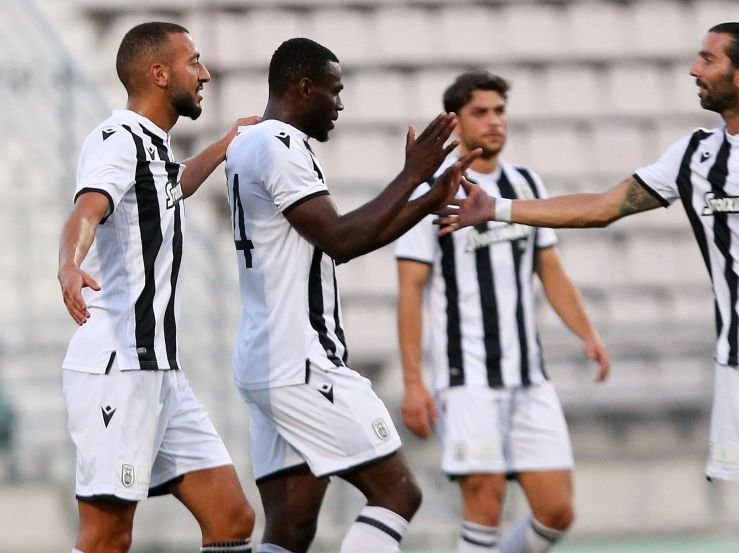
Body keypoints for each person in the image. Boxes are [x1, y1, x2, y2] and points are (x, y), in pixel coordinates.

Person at [437, 23, 739, 553]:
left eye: (708, 59)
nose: (695, 70)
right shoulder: (694, 155)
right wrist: (498, 208)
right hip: (736, 358)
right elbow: (603, 207)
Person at [223, 38, 479, 553]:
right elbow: (341, 239)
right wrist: (412, 175)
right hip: (301, 360)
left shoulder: (248, 144)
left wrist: (426, 198)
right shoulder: (280, 146)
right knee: (398, 495)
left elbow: (338, 242)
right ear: (304, 88)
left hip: (264, 359)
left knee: (291, 527)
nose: (340, 104)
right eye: (334, 91)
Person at [57, 21, 259, 553]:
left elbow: (170, 186)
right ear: (159, 73)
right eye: (194, 62)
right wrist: (69, 265)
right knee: (107, 537)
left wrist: (224, 145)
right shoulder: (117, 140)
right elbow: (87, 209)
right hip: (118, 367)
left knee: (231, 517)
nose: (205, 74)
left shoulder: (155, 147)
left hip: (160, 369)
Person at [394, 70, 611, 553]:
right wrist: (413, 381)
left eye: (499, 111)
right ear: (456, 122)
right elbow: (410, 289)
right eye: (481, 112)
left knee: (557, 511)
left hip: (528, 376)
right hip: (468, 376)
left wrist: (588, 335)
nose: (494, 121)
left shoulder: (524, 182)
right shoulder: (432, 191)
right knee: (485, 501)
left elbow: (549, 269)